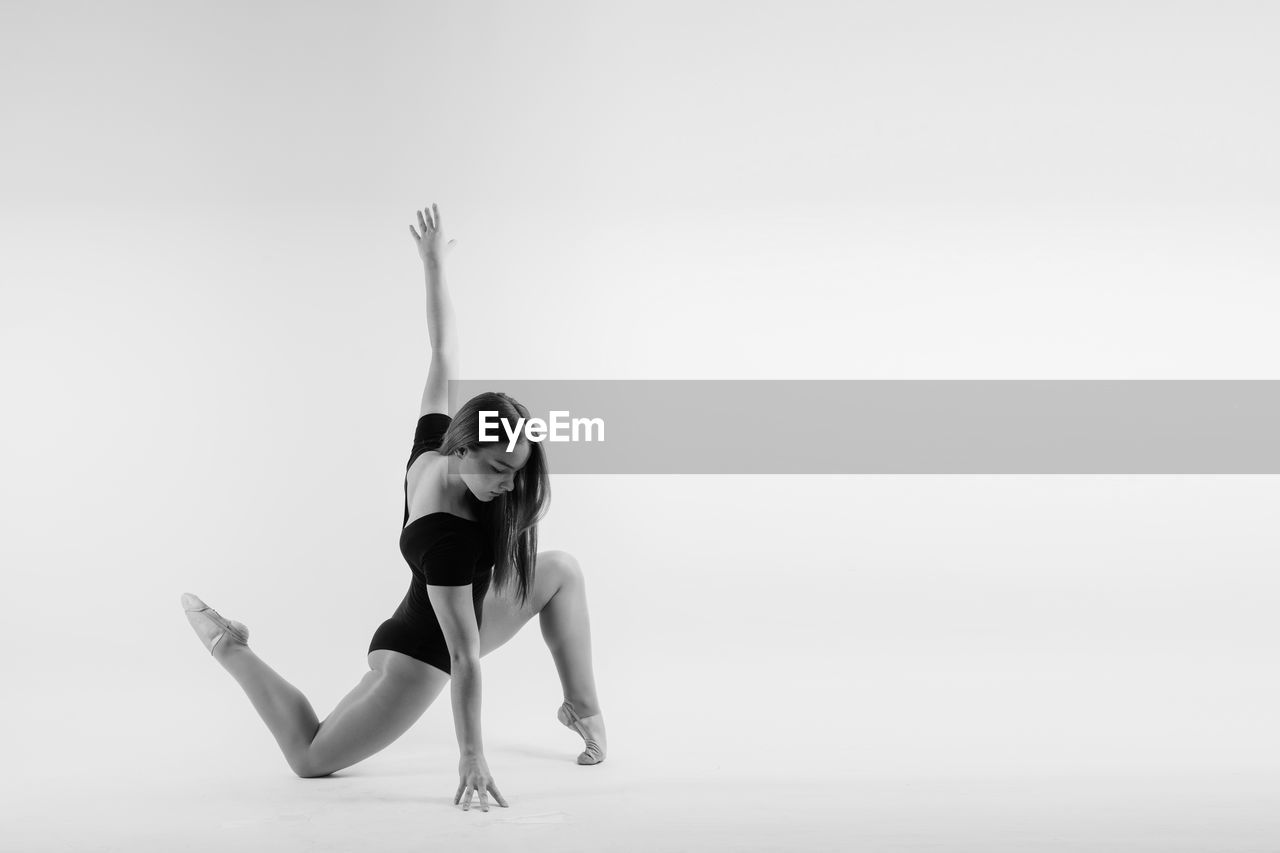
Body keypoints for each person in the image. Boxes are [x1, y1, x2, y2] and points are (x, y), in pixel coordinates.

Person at [181, 203, 607, 813]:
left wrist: (433, 264)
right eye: (496, 471)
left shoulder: (433, 448)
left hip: (436, 616)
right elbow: (462, 656)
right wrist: (470, 754)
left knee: (561, 570)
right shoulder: (449, 538)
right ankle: (232, 647)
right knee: (308, 757)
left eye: (516, 475)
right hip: (420, 655)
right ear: (465, 448)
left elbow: (444, 351)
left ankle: (583, 710)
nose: (508, 489)